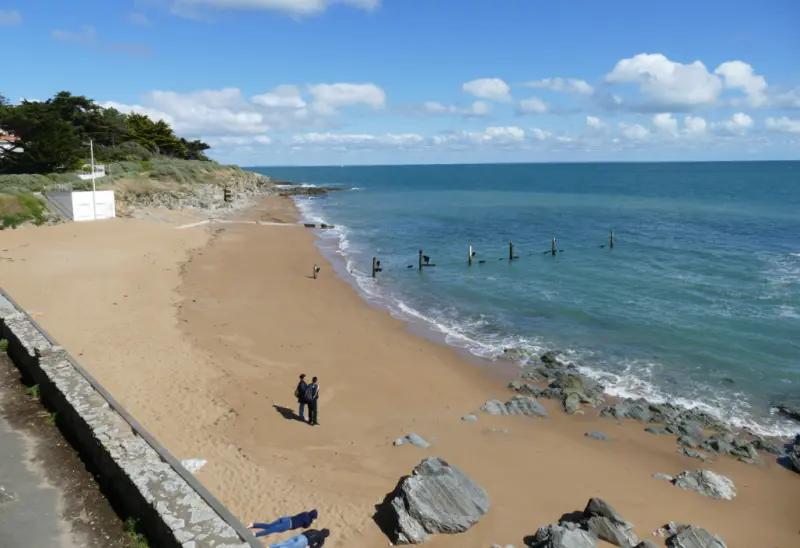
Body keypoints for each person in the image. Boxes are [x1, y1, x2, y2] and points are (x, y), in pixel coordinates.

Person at [247, 510, 318, 538]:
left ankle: (253, 524)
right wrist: (311, 521)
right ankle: (256, 534)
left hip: (286, 519)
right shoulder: (308, 521)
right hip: (287, 525)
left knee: (268, 526)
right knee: (271, 530)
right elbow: (305, 526)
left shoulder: (305, 513)